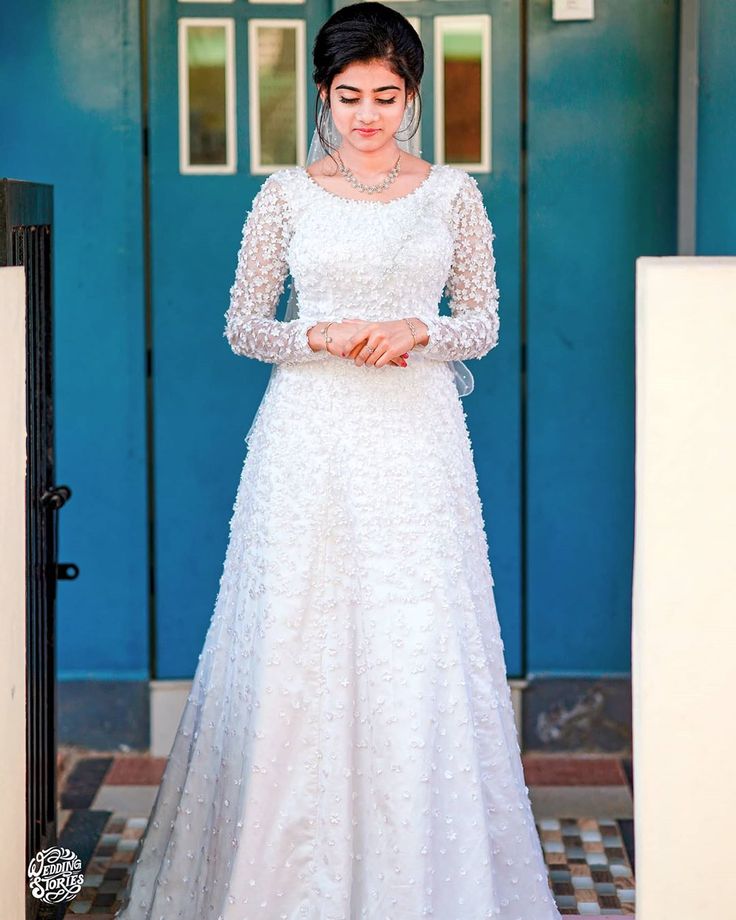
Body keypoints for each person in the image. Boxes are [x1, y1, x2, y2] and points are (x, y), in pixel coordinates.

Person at [114, 3, 562, 918]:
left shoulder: (454, 193)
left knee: (416, 637)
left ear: (412, 94)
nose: (367, 115)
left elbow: (483, 321)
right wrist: (316, 332)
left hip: (416, 441)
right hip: (311, 437)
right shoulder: (285, 193)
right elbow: (243, 324)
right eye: (350, 95)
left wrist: (417, 329)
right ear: (323, 92)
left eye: (386, 96)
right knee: (302, 641)